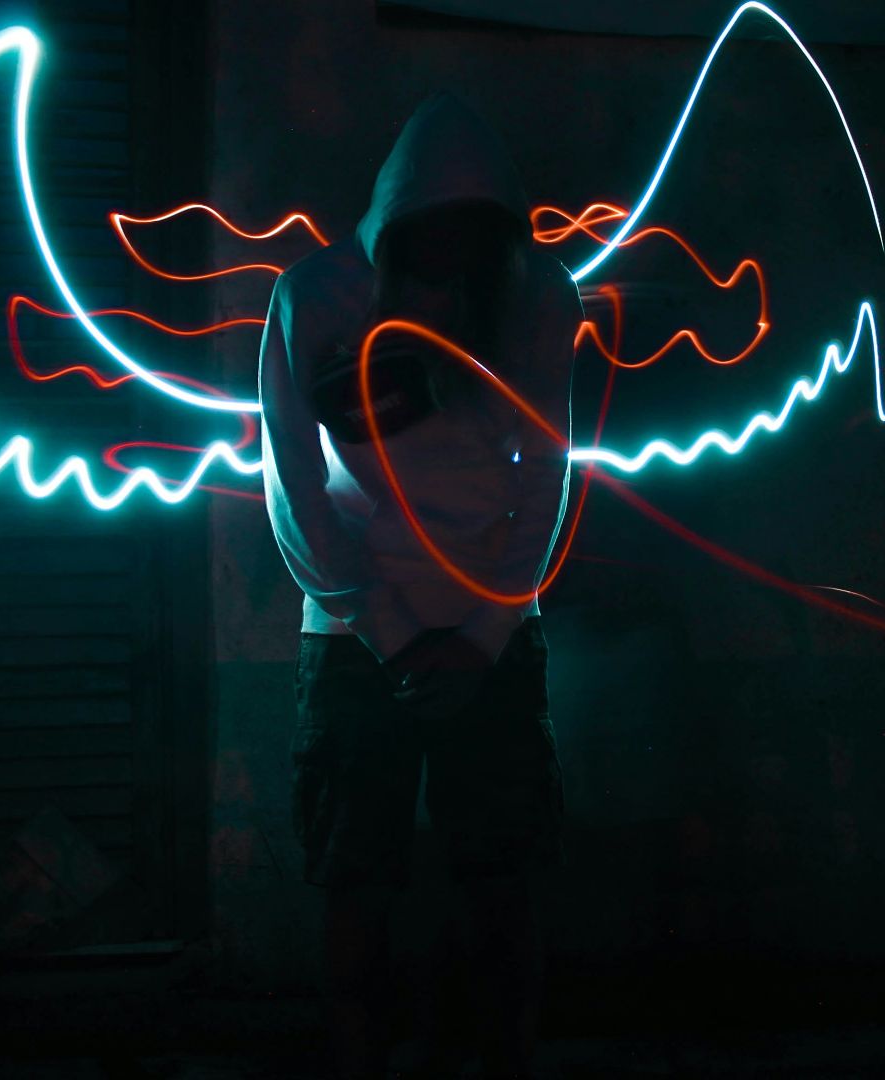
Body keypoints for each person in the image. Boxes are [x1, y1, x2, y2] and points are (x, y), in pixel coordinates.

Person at [258, 92, 583, 1078]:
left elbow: (550, 476)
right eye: (429, 240)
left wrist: (480, 636)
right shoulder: (315, 297)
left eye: (468, 241)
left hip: (477, 633)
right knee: (357, 883)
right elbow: (291, 486)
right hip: (359, 642)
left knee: (502, 883)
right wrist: (397, 632)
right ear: (394, 228)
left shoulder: (536, 298)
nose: (448, 265)